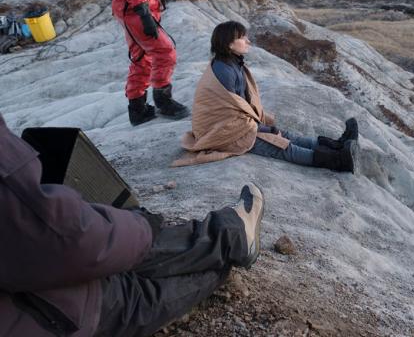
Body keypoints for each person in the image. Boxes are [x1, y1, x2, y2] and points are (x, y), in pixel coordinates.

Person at [0, 113, 264, 337]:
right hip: (40, 313)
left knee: (116, 246)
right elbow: (64, 240)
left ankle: (229, 239)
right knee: (132, 285)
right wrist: (142, 226)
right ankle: (230, 244)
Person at [174, 20, 359, 171]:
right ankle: (338, 161)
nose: (248, 41)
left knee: (283, 134)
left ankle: (337, 145)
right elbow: (230, 115)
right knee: (281, 145)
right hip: (222, 134)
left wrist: (262, 126)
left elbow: (239, 108)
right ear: (229, 44)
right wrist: (262, 129)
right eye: (242, 38)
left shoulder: (231, 64)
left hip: (232, 125)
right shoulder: (225, 71)